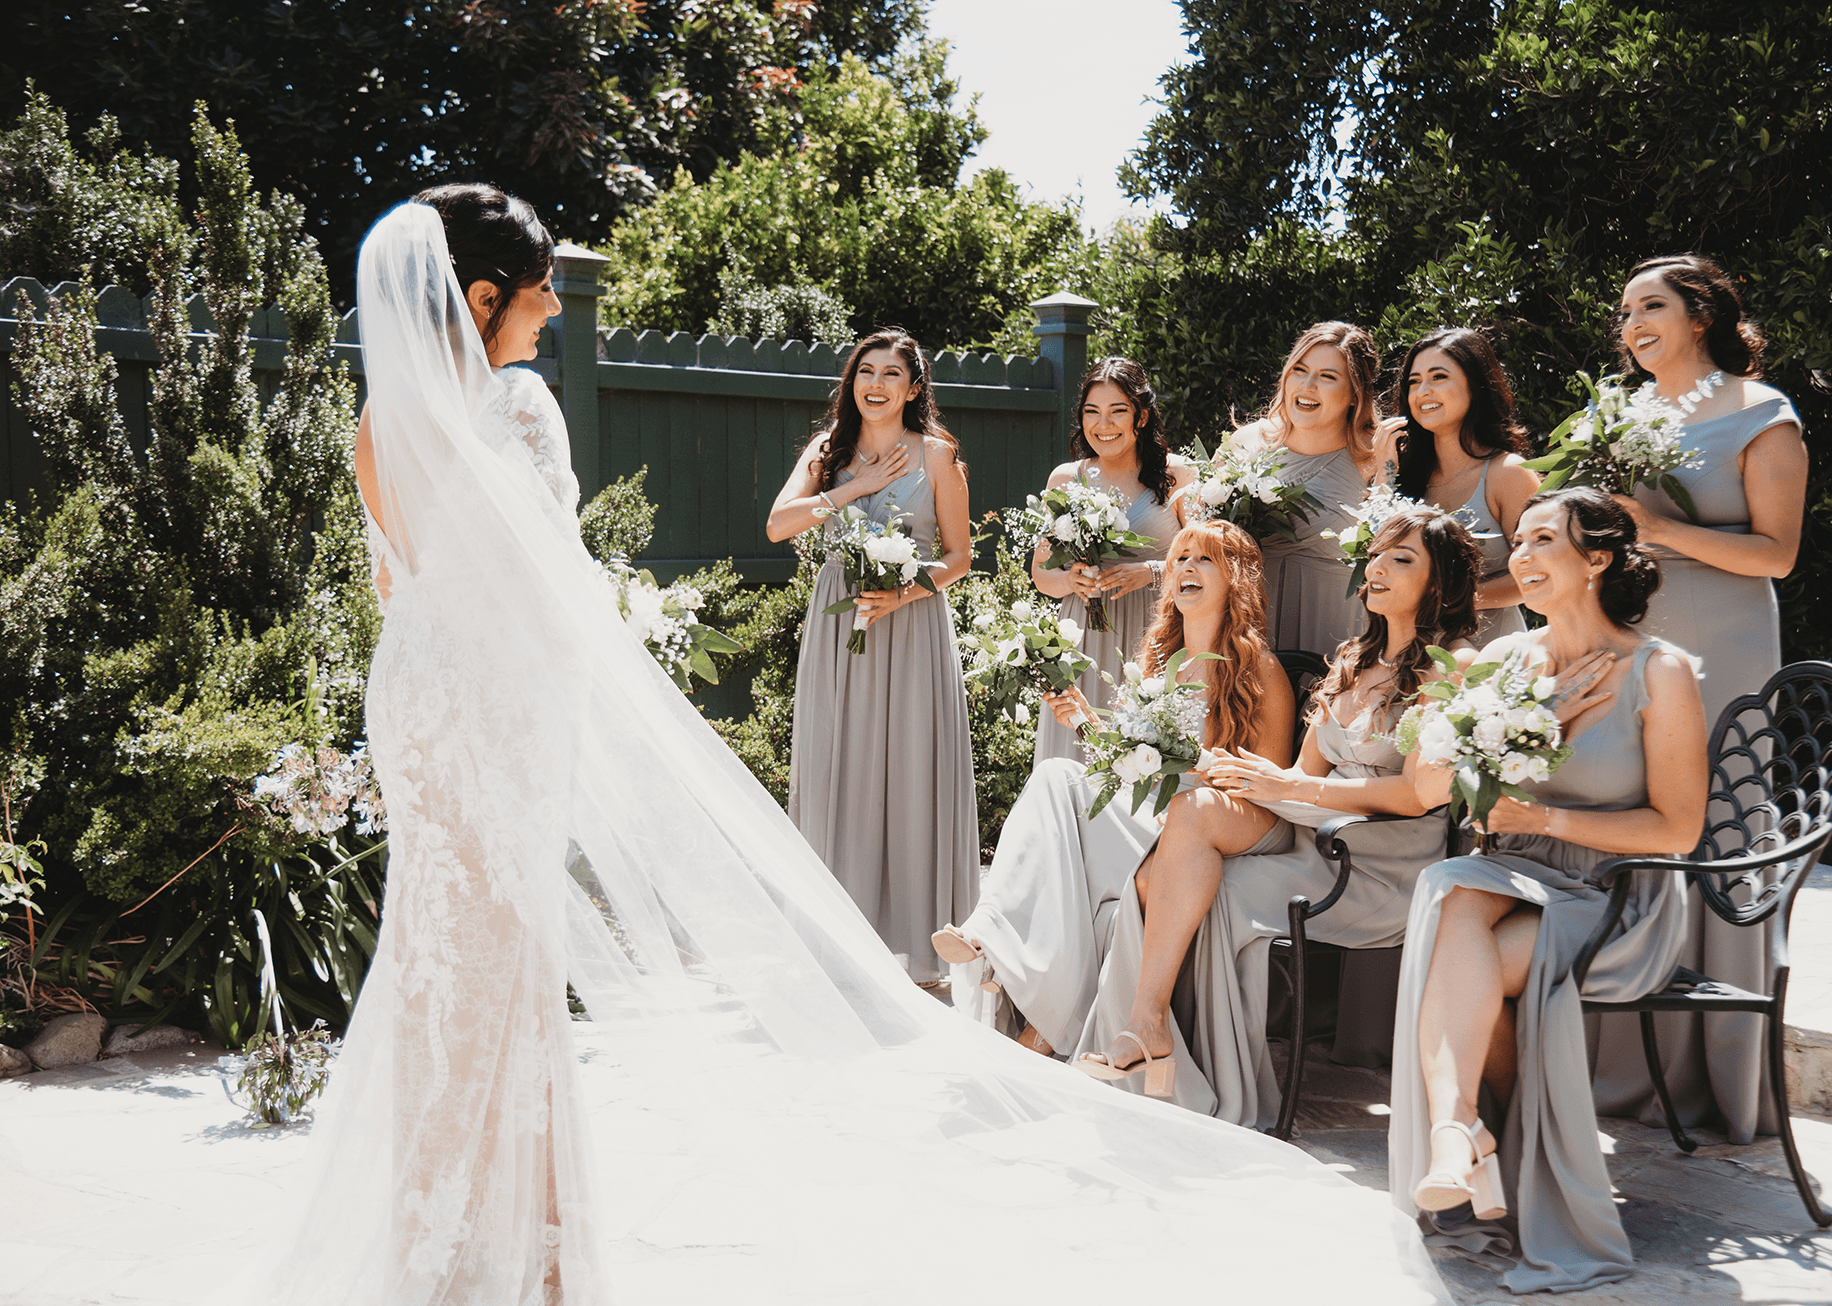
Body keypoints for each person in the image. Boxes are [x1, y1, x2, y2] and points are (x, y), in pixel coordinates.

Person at [246, 193, 1457, 1306]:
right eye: (540, 287)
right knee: (501, 955)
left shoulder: (383, 419)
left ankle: (448, 1233)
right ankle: (530, 1247)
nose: (555, 306)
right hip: (498, 702)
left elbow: (405, 583)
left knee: (443, 947)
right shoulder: (518, 407)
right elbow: (541, 586)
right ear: (480, 299)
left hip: (420, 697)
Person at [1075, 506, 1496, 1126]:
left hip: (1382, 864)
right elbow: (1302, 774)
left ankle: (1181, 1061)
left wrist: (1290, 788)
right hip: (1313, 837)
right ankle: (1150, 1032)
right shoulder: (1353, 659)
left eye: (1400, 558)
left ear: (1441, 580)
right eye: (1375, 556)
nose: (1376, 568)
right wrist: (1248, 777)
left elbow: (1416, 796)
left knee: (1198, 878)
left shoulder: (1453, 667)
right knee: (1192, 829)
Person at [1388, 487, 1707, 1294]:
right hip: (1509, 874)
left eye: (1542, 541)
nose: (1520, 558)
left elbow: (1677, 829)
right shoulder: (1504, 660)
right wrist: (1544, 717)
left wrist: (1546, 817)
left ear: (1596, 558)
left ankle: (1476, 1141)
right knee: (1451, 889)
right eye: (1517, 543)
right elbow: (1436, 788)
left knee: (1459, 946)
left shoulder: (1660, 672)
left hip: (1614, 893)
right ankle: (1458, 1131)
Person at [932, 520, 1294, 1062]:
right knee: (1056, 775)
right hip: (1149, 806)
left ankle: (1043, 1022)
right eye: (1180, 558)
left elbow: (1268, 784)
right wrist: (1086, 721)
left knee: (1076, 854)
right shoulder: (1157, 661)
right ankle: (989, 932)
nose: (1187, 567)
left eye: (1205, 558)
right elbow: (1132, 762)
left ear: (1235, 578)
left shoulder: (1258, 669)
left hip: (1207, 817)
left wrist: (1192, 770)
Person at [1601, 253, 1809, 1142]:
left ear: (1701, 316)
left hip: (1724, 638)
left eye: (1649, 306)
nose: (1632, 325)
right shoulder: (1622, 416)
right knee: (1630, 800)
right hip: (1633, 634)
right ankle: (1620, 1053)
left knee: (1716, 811)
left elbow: (1776, 555)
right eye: (1624, 313)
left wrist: (1658, 528)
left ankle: (1717, 1069)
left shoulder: (1762, 412)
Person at [766, 329, 980, 983]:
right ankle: (835, 942)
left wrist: (904, 593)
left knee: (911, 768)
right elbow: (778, 524)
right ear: (851, 380)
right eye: (866, 371)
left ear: (913, 389)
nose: (877, 384)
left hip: (910, 627)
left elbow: (960, 558)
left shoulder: (937, 455)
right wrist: (851, 487)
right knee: (838, 765)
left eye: (892, 374)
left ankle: (920, 948)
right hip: (840, 627)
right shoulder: (826, 450)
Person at [1029, 357, 1194, 766]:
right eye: (1092, 412)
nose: (1103, 424)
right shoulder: (1066, 479)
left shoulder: (1176, 475)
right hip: (1083, 637)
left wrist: (1151, 573)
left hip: (1156, 631)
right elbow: (1042, 575)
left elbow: (1212, 559)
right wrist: (1071, 581)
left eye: (1117, 411)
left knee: (1149, 756)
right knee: (1077, 758)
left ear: (1141, 416)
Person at [1229, 322, 1381, 656]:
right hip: (1250, 632)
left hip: (1339, 632)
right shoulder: (1245, 444)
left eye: (1327, 377)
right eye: (1299, 370)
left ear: (1355, 393)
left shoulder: (1377, 456)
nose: (1307, 386)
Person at [1383, 326, 1541, 645]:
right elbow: (1376, 557)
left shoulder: (1508, 473)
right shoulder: (1404, 475)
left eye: (1438, 377)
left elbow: (1538, 572)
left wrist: (1448, 601)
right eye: (1414, 381)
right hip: (1410, 649)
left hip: (1491, 650)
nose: (1423, 391)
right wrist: (1383, 467)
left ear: (1476, 385)